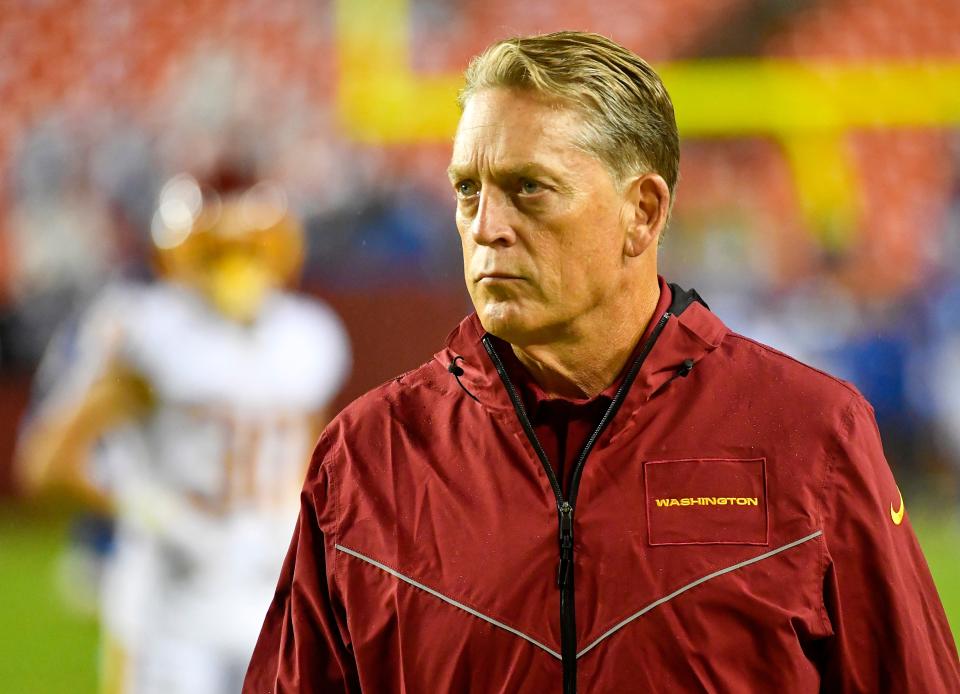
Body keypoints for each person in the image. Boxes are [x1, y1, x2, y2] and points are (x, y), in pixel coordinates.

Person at [243, 32, 960, 693]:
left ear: (642, 212)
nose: (486, 228)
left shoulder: (811, 437)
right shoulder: (368, 459)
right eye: (468, 190)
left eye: (529, 188)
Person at [17, 168, 351, 694]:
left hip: (266, 598)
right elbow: (45, 464)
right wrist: (153, 511)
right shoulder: (149, 332)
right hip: (169, 613)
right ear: (183, 254)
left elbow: (306, 460)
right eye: (216, 251)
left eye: (248, 249)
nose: (235, 267)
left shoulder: (307, 339)